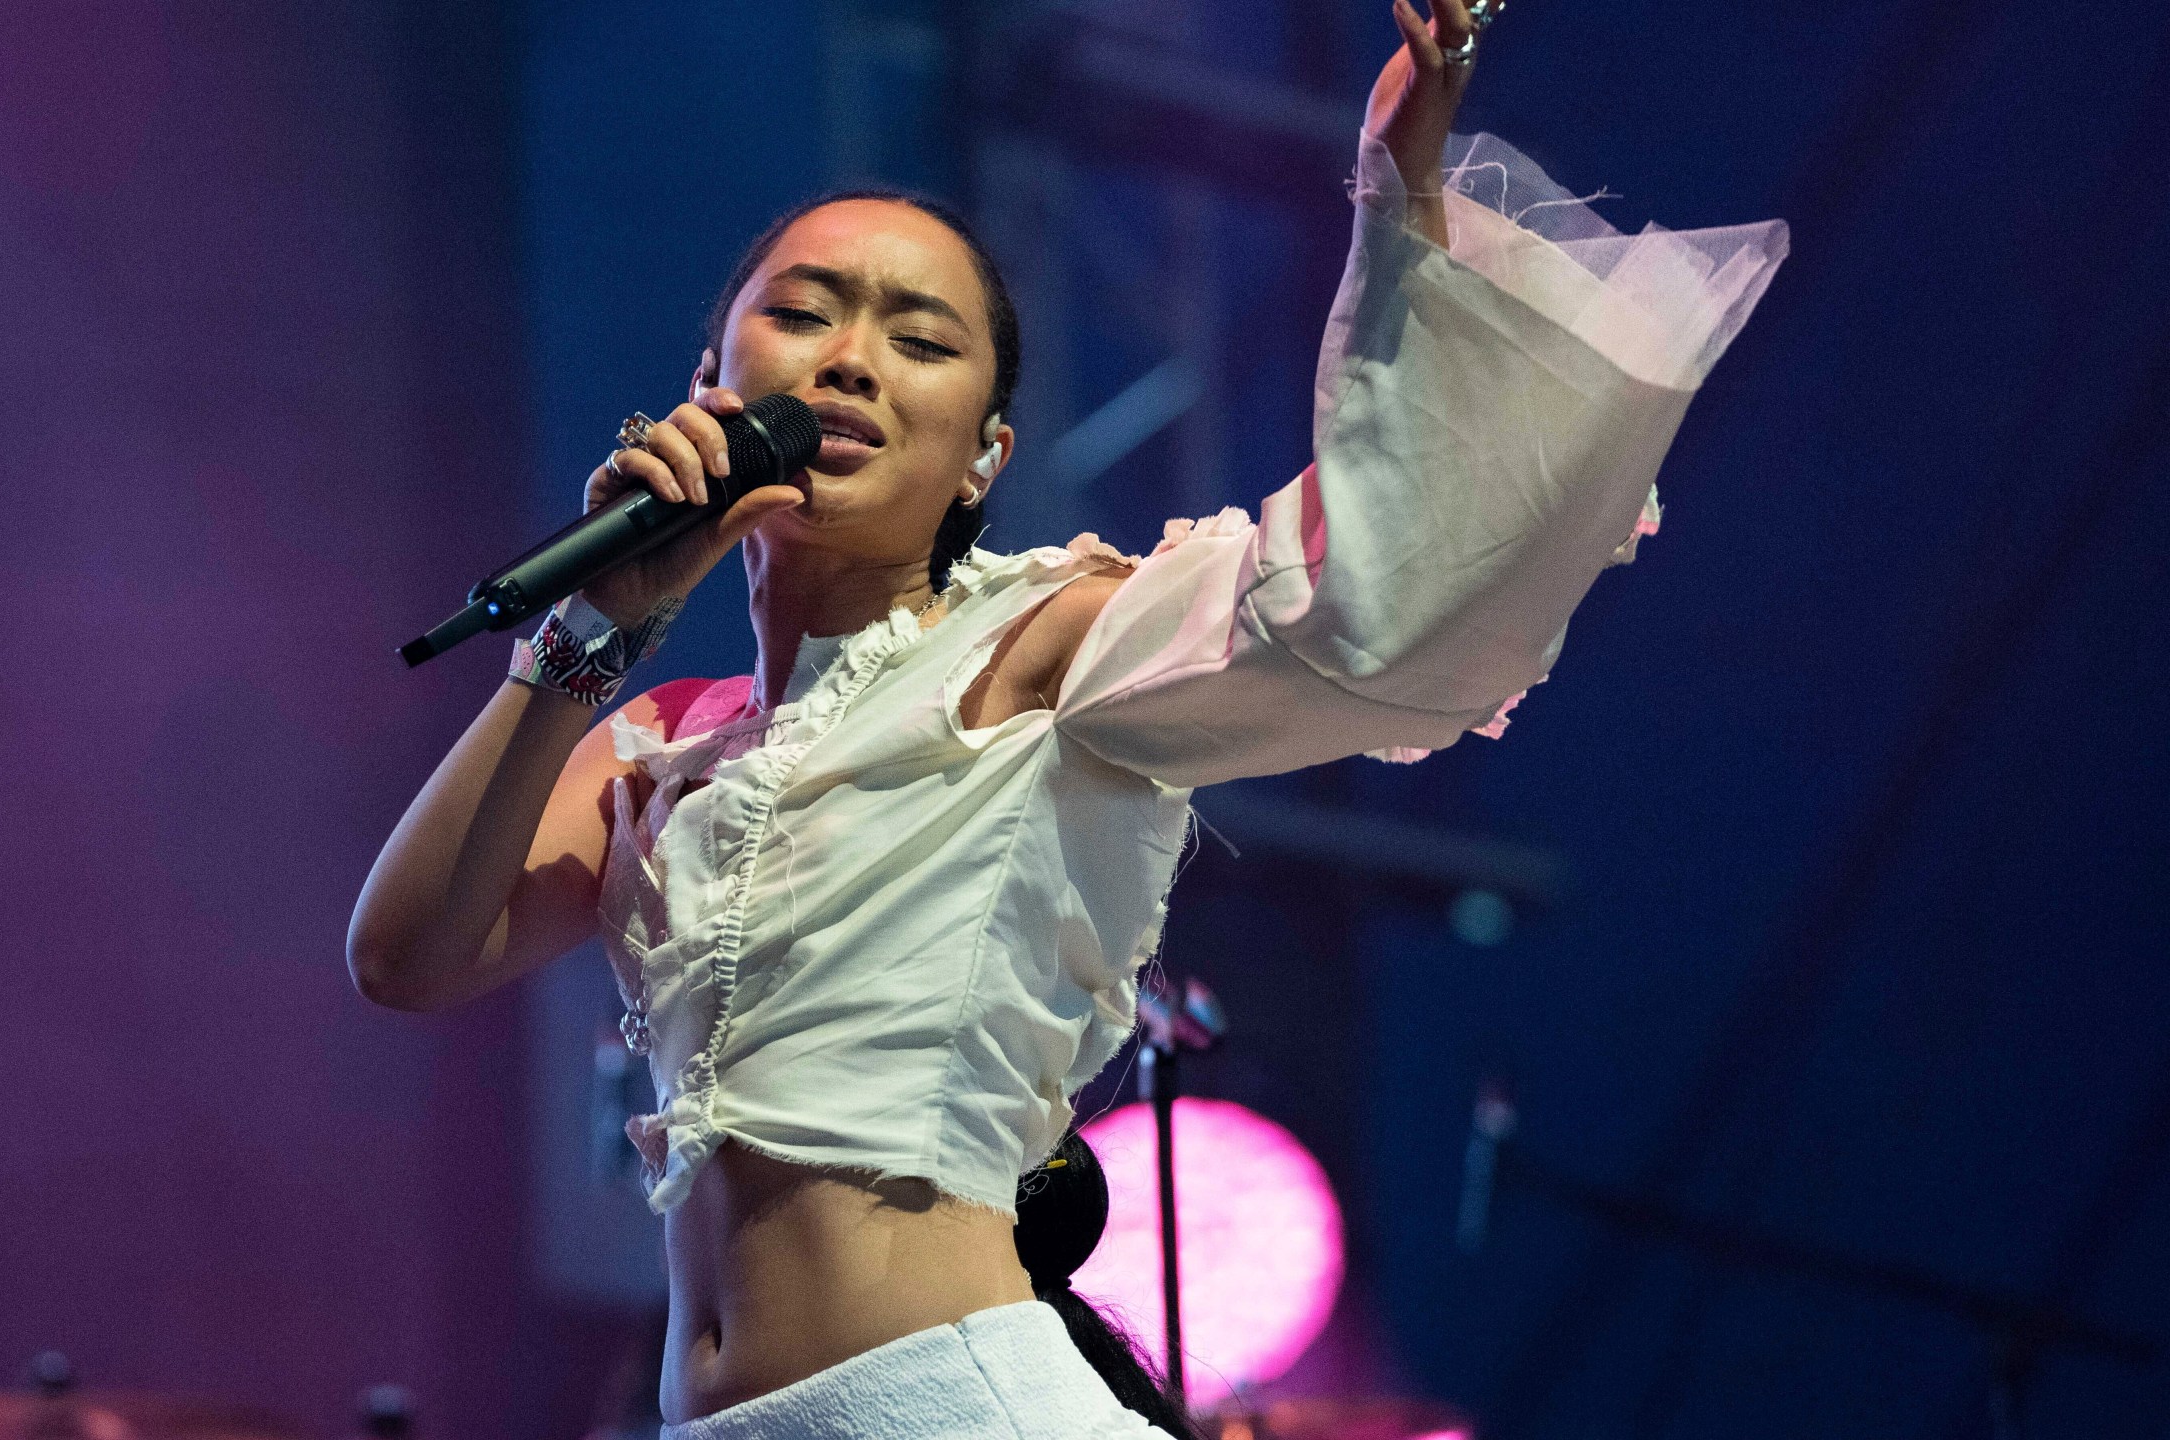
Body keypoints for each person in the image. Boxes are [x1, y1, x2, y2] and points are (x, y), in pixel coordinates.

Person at [346, 2, 1786, 1435]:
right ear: (710, 384)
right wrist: (595, 625)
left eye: (919, 340)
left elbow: (1361, 596)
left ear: (984, 458)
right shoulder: (663, 738)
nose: (848, 360)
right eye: (800, 313)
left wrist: (1401, 187)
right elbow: (408, 956)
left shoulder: (1039, 650)